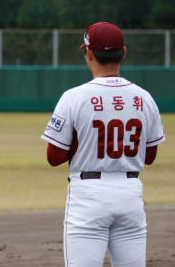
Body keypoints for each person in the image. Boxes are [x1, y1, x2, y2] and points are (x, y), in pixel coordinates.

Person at [41, 22, 166, 267]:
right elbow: (149, 156)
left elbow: (54, 157)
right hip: (131, 193)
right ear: (124, 52)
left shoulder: (74, 97)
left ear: (88, 53)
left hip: (88, 196)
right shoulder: (144, 97)